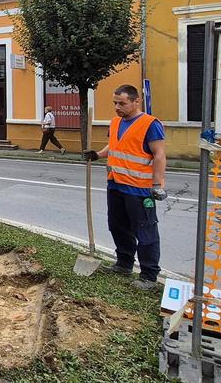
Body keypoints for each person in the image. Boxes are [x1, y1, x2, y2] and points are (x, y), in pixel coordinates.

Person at [82, 85, 167, 290]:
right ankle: (124, 263)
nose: (117, 107)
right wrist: (98, 154)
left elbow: (159, 154)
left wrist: (158, 184)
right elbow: (116, 145)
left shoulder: (150, 124)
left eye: (122, 103)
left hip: (139, 189)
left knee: (145, 231)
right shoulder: (116, 122)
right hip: (116, 184)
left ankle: (149, 275)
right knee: (117, 226)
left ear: (136, 102)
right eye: (115, 103)